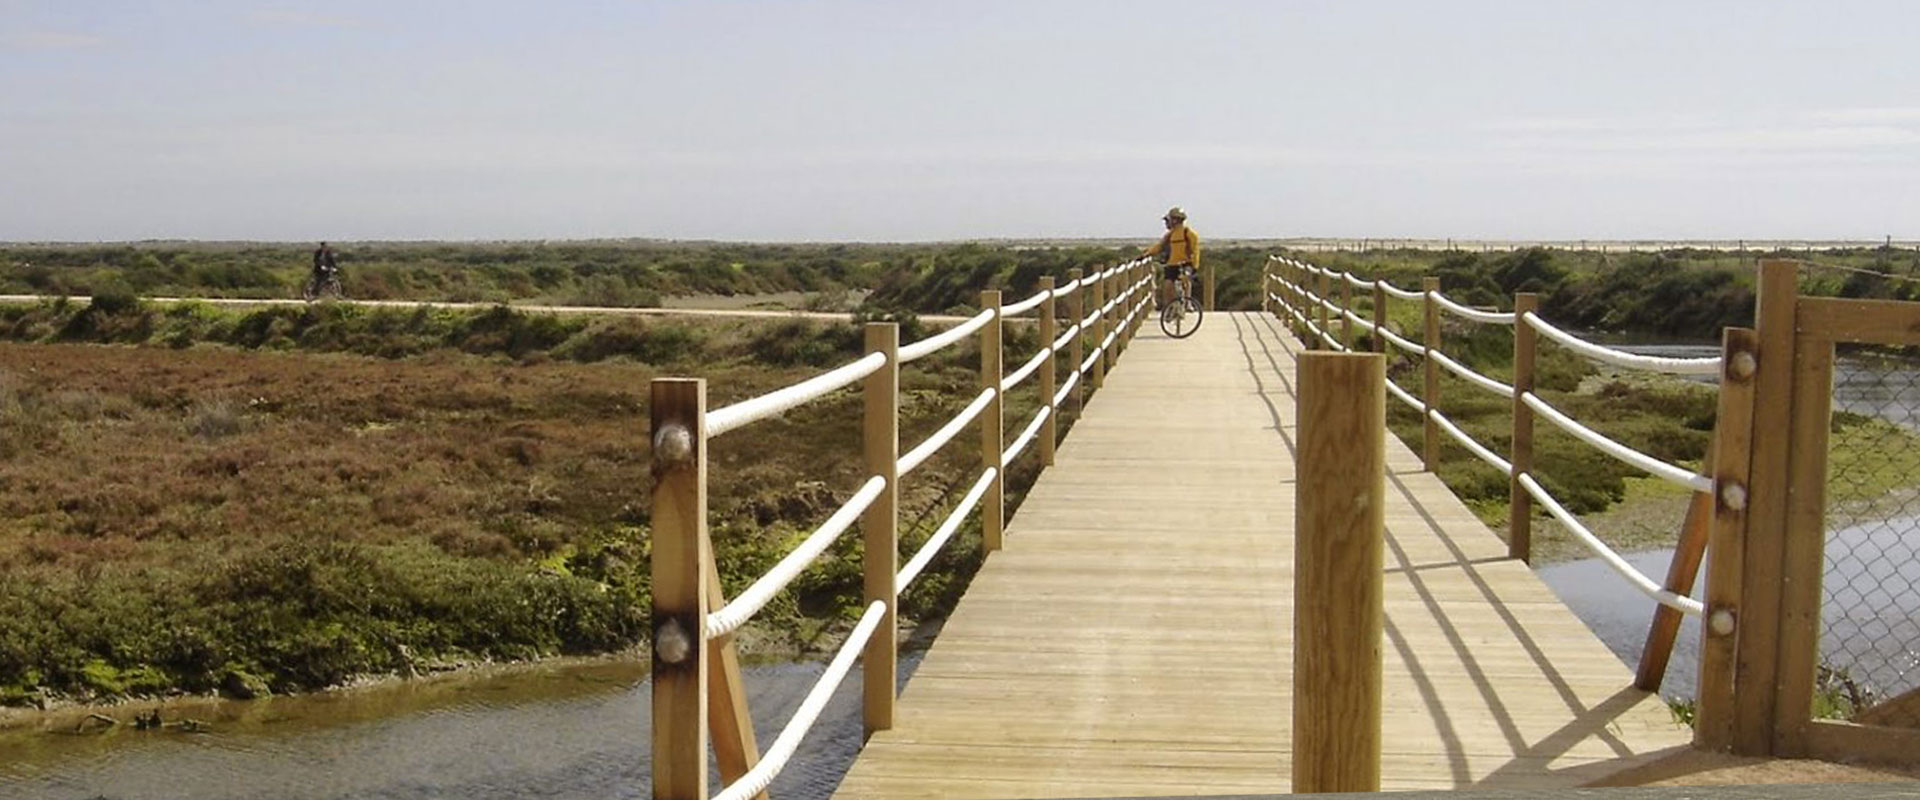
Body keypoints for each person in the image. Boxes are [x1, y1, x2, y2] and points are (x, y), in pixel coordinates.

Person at [1145, 207, 1200, 310]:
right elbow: (1159, 246)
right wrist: (1147, 254)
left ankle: (1187, 303)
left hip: (1186, 263)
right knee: (1167, 285)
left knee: (1185, 280)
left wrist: (1194, 266)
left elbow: (1195, 250)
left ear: (1176, 220)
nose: (1168, 223)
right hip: (1173, 263)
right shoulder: (1170, 234)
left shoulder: (1189, 233)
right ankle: (1170, 307)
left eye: (1169, 220)